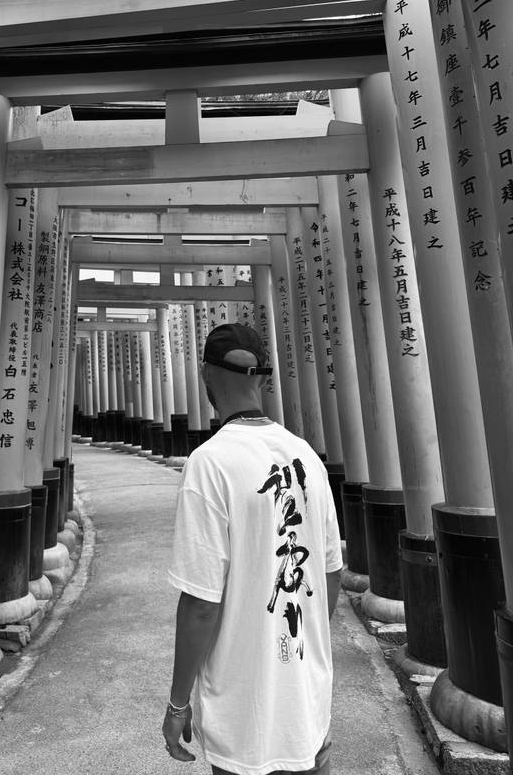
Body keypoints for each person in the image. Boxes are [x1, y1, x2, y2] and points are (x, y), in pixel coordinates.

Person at [162, 323, 342, 775]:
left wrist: (178, 702)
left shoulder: (209, 463)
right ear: (262, 378)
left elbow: (201, 604)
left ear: (206, 376)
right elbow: (331, 572)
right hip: (308, 708)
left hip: (244, 721)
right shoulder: (308, 457)